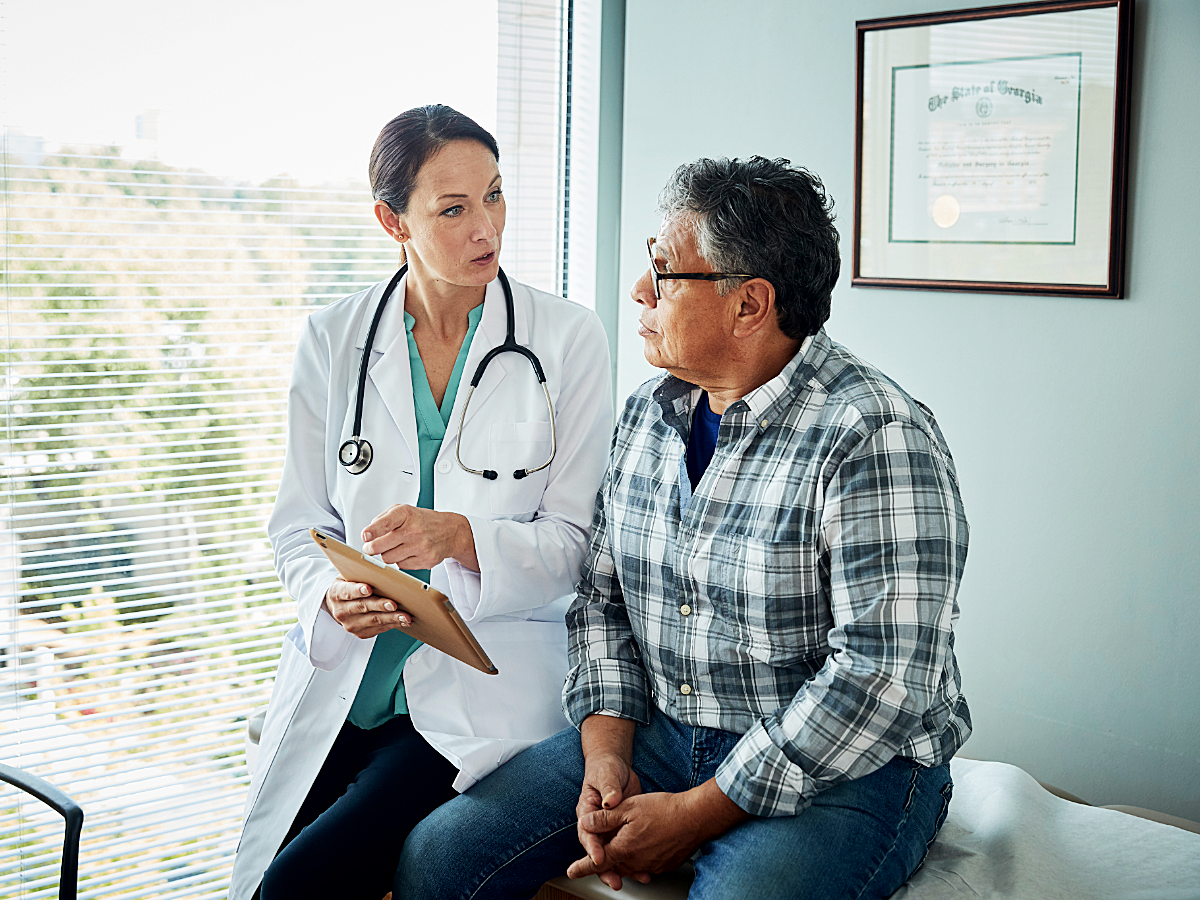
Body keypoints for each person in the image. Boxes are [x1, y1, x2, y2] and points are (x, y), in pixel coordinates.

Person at [395, 156, 971, 900]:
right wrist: (605, 753)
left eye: (664, 273)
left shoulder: (874, 436)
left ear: (748, 305)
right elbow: (603, 601)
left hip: (851, 764)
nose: (640, 291)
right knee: (437, 857)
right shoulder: (647, 415)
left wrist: (699, 813)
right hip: (668, 731)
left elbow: (879, 680)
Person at [228, 105, 613, 900]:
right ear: (389, 221)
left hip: (479, 687)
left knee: (296, 888)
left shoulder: (568, 338)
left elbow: (578, 542)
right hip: (349, 675)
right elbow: (299, 524)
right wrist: (328, 594)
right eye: (453, 209)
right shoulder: (333, 339)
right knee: (264, 874)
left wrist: (464, 538)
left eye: (496, 196)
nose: (487, 228)